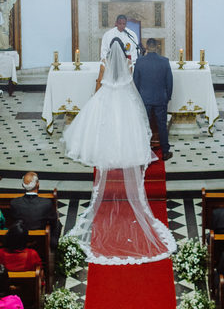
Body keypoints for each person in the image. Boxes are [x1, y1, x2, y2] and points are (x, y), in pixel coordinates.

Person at [62, 38, 176, 264]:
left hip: (107, 98)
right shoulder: (129, 65)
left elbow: (101, 83)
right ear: (122, 51)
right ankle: (126, 151)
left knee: (104, 128)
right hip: (124, 100)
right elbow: (132, 85)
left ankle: (106, 151)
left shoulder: (106, 63)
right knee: (126, 128)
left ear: (108, 50)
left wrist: (97, 95)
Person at [132, 37, 173, 160]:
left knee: (144, 125)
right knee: (162, 125)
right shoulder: (165, 61)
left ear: (147, 47)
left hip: (144, 99)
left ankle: (144, 151)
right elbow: (169, 82)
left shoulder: (139, 62)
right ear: (157, 47)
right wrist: (168, 97)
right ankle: (165, 152)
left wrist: (138, 98)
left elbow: (136, 82)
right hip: (160, 98)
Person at [7, 172, 59, 244]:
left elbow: (12, 221)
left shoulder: (14, 203)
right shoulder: (46, 203)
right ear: (37, 184)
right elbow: (53, 221)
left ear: (23, 185)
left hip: (21, 239)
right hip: (41, 241)